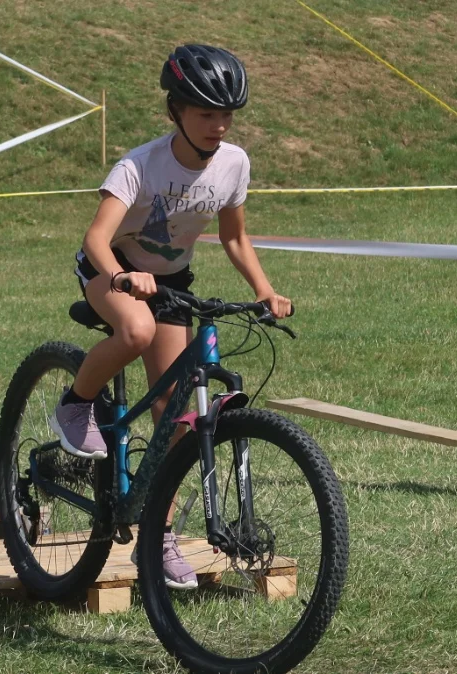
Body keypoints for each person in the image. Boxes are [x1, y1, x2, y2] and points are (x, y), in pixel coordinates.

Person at [51, 44, 292, 589]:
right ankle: (75, 405)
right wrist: (120, 278)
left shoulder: (234, 163)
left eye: (226, 115)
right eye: (206, 113)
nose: (219, 125)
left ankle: (156, 538)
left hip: (171, 282)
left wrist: (265, 291)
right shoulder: (139, 165)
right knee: (134, 329)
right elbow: (96, 237)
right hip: (109, 268)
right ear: (176, 112)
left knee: (175, 418)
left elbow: (234, 237)